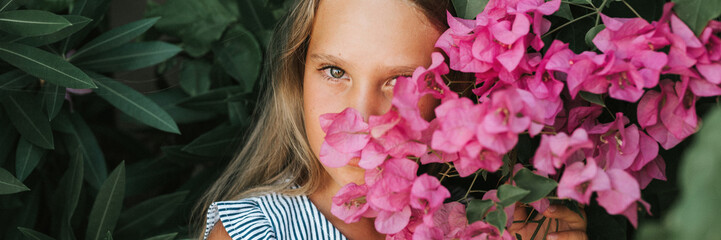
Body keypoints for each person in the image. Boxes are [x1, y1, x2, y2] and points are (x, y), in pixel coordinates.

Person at [199, 0, 588, 239]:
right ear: (298, 73)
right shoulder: (258, 234)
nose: (363, 120)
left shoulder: (475, 222)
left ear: (456, 93)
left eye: (400, 81)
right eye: (335, 72)